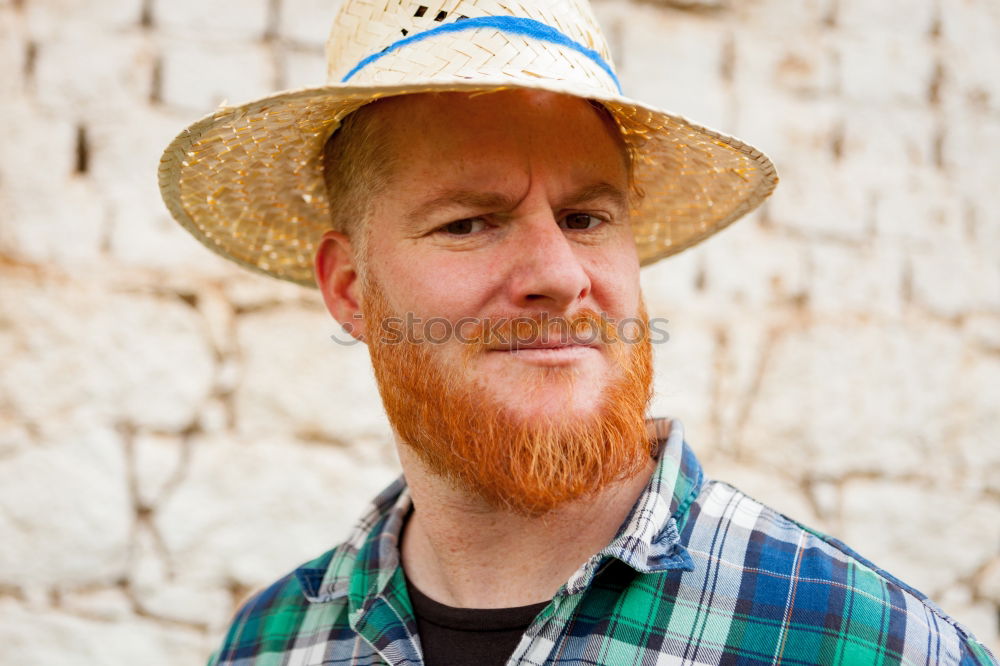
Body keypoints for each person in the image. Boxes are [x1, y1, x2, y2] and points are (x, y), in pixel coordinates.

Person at [158, 1, 996, 664]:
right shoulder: (272, 645)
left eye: (586, 216)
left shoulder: (862, 643)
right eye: (469, 223)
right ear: (348, 289)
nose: (559, 274)